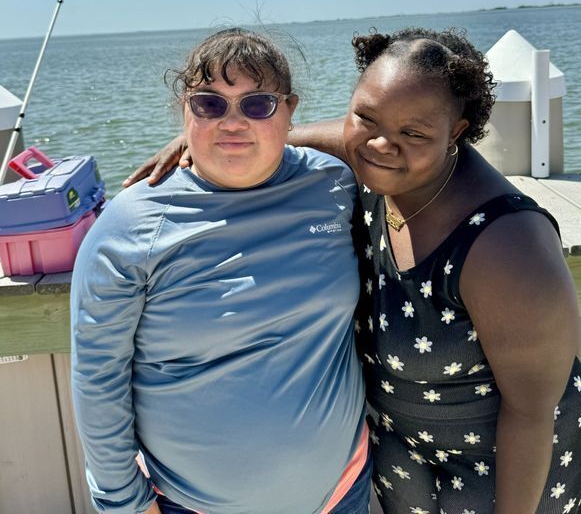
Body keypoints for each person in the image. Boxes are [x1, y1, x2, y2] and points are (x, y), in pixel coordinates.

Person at [128, 26, 581, 513]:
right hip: (401, 466)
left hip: (504, 480)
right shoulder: (370, 165)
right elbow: (309, 135)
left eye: (413, 132)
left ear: (457, 131)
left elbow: (533, 413)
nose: (381, 144)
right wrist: (211, 136)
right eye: (366, 116)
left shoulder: (508, 245)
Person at [71, 28, 371, 514]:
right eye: (209, 104)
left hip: (341, 493)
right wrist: (123, 503)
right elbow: (98, 378)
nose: (232, 122)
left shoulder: (332, 183)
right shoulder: (128, 226)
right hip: (189, 505)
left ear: (290, 109)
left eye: (257, 105)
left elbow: (400, 137)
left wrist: (254, 130)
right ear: (184, 111)